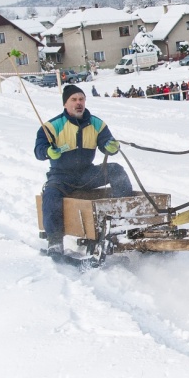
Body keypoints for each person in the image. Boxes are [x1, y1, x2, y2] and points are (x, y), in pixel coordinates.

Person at [35, 84, 133, 260]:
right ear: (66, 104)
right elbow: (38, 149)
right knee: (50, 196)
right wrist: (47, 151)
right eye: (74, 100)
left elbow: (107, 143)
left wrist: (111, 146)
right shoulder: (51, 126)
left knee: (117, 171)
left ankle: (123, 218)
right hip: (61, 176)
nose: (78, 103)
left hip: (87, 174)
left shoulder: (97, 124)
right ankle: (55, 242)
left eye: (81, 99)